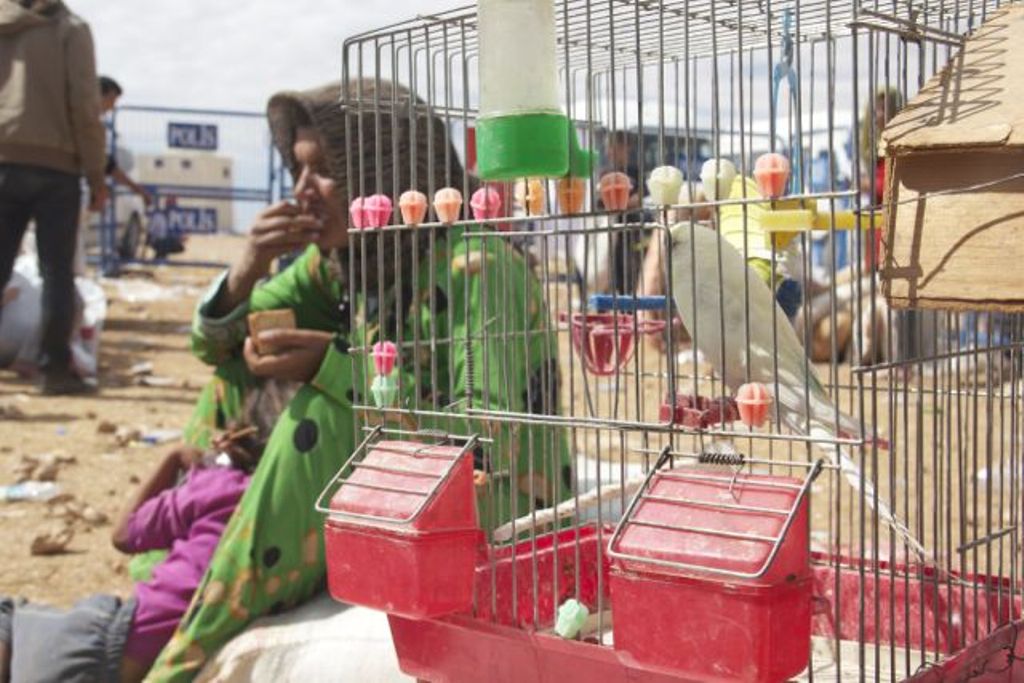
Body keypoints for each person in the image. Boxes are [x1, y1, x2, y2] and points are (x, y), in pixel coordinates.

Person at [147, 79, 571, 680]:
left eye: (323, 171)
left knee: (315, 419)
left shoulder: (476, 265)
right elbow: (216, 351)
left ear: (384, 172)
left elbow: (486, 439)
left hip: (503, 500)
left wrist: (338, 367)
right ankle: (168, 582)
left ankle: (186, 649)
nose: (301, 192)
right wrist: (247, 270)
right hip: (416, 479)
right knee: (233, 381)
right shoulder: (350, 262)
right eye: (298, 170)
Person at [0, 423, 267, 683]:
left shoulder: (222, 485)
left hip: (104, 649)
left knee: (6, 614)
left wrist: (173, 458)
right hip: (129, 651)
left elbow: (124, 535)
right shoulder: (297, 520)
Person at [0, 0, 107, 395]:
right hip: (56, 167)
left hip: (3, 160)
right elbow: (83, 105)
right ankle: (54, 371)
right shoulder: (70, 29)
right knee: (57, 273)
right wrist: (97, 175)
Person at [98, 76, 153, 208]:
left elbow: (106, 164)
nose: (112, 107)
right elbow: (105, 164)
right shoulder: (85, 123)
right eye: (111, 100)